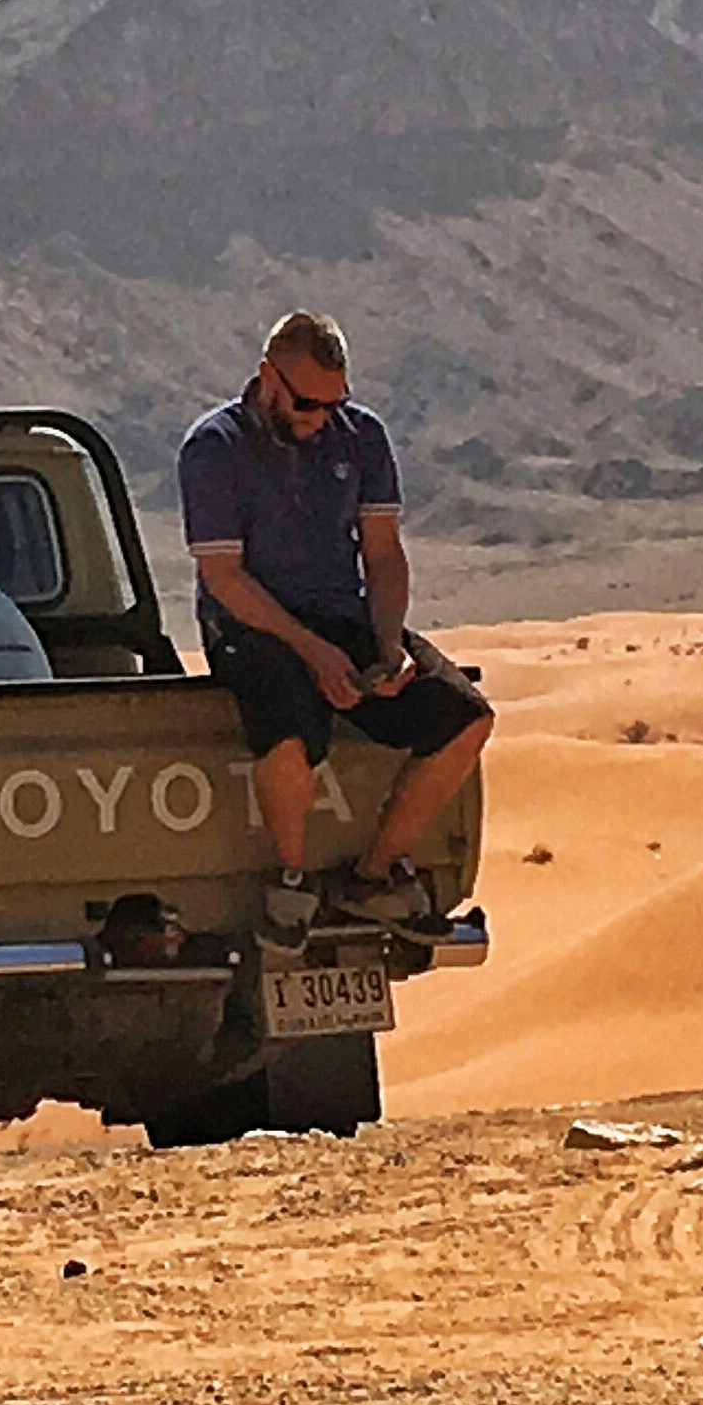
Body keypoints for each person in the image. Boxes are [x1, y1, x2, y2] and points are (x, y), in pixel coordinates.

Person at [177, 310, 495, 939]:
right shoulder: (214, 448)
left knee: (465, 717)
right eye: (304, 403)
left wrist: (387, 645)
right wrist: (313, 653)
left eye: (332, 403)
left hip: (342, 616)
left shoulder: (361, 438)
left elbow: (381, 553)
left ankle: (373, 876)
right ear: (268, 378)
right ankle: (291, 882)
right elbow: (225, 579)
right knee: (291, 721)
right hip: (253, 624)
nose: (317, 418)